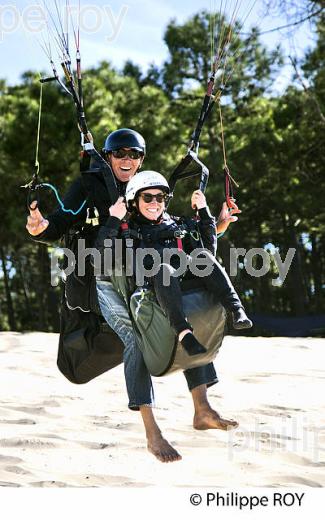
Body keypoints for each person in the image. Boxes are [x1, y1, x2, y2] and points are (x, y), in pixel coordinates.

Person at [26, 129, 239, 463]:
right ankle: (153, 433)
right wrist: (41, 228)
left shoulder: (147, 187)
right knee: (134, 339)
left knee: (187, 316)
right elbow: (62, 221)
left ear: (142, 158)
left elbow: (173, 231)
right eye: (120, 154)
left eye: (134, 155)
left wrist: (216, 222)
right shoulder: (90, 185)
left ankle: (203, 409)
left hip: (145, 277)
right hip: (105, 279)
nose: (127, 161)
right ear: (108, 156)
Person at [96, 170, 252, 358]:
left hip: (187, 284)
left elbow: (208, 250)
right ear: (134, 202)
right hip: (152, 290)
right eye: (147, 197)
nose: (154, 203)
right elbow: (98, 258)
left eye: (160, 197)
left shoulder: (177, 225)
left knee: (202, 256)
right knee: (163, 269)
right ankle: (184, 333)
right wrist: (113, 219)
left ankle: (236, 309)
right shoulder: (126, 231)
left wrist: (204, 211)